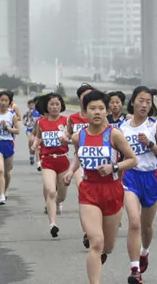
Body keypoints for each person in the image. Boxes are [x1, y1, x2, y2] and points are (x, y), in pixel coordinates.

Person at [61, 89, 137, 284]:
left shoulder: (114, 135)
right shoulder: (78, 136)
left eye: (101, 108)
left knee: (108, 246)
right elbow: (79, 155)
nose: (97, 112)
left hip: (112, 189)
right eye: (92, 108)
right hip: (89, 190)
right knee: (96, 242)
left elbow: (132, 160)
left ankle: (102, 254)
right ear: (85, 111)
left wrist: (114, 167)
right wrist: (71, 170)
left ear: (106, 111)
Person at [119, 86, 157, 282]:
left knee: (146, 226)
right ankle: (134, 270)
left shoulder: (155, 126)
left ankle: (144, 252)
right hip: (130, 177)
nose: (145, 105)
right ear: (133, 102)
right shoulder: (122, 127)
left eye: (148, 101)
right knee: (134, 222)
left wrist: (150, 144)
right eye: (141, 100)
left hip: (151, 178)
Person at [32, 92, 70, 237]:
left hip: (63, 160)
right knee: (51, 191)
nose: (54, 107)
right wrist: (34, 145)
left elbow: (73, 137)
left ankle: (58, 203)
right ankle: (53, 224)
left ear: (61, 106)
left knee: (62, 194)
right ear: (46, 107)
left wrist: (67, 140)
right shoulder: (41, 122)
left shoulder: (66, 121)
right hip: (47, 160)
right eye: (52, 104)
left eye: (57, 104)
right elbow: (38, 136)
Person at [68, 83, 96, 248]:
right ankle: (87, 231)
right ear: (79, 99)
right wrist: (66, 138)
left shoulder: (99, 115)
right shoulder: (72, 118)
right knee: (83, 191)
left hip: (99, 161)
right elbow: (69, 135)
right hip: (80, 160)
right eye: (84, 96)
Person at [0, 91, 21, 205]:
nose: (3, 103)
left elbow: (17, 130)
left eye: (6, 101)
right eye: (1, 100)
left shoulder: (12, 115)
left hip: (8, 144)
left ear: (9, 102)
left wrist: (7, 128)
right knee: (0, 170)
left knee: (7, 172)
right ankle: (2, 195)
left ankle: (5, 190)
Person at [24, 98, 41, 168]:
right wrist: (29, 118)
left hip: (37, 130)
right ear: (28, 106)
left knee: (36, 144)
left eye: (32, 105)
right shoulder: (27, 113)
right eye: (30, 105)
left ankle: (38, 160)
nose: (31, 106)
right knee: (30, 140)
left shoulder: (39, 113)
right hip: (30, 130)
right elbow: (26, 124)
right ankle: (31, 154)